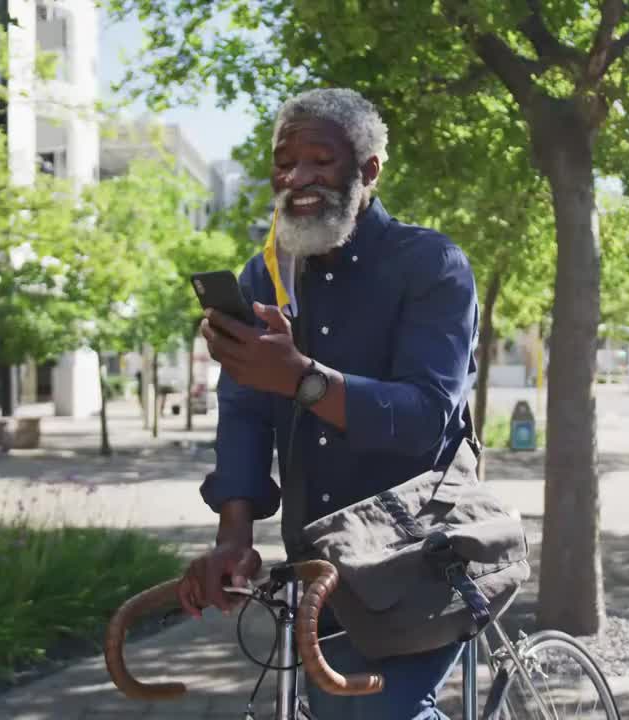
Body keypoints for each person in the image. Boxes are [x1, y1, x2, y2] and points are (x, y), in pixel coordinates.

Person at [178, 87, 479, 719]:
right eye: (285, 164)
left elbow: (425, 418)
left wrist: (300, 378)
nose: (297, 178)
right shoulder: (267, 277)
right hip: (317, 566)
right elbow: (244, 411)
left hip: (417, 557)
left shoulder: (433, 264)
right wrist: (233, 535)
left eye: (320, 161)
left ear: (368, 170)